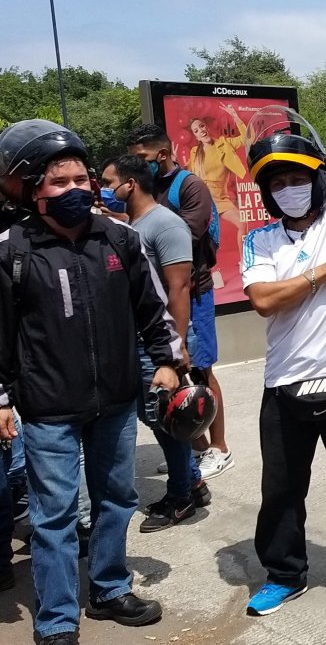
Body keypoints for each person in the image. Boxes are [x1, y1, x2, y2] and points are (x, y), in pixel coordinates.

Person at [0, 119, 183, 644]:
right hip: (48, 409)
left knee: (116, 499)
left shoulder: (120, 239)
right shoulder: (12, 250)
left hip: (117, 403)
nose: (75, 190)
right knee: (53, 516)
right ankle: (57, 618)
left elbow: (153, 308)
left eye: (81, 179)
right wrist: (2, 398)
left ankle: (108, 589)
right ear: (34, 190)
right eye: (60, 182)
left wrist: (168, 361)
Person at [239, 36, 326, 617]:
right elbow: (264, 301)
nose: (287, 189)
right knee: (280, 490)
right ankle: (284, 573)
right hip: (284, 384)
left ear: (316, 177)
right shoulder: (260, 241)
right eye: (275, 184)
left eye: (295, 177)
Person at [100, 155, 213, 532]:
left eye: (108, 182)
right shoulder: (135, 224)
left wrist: (175, 350)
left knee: (166, 420)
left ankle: (181, 498)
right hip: (141, 340)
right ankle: (192, 483)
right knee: (153, 416)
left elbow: (179, 289)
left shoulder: (165, 224)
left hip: (160, 343)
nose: (104, 189)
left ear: (130, 184)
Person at [127, 124, 234, 480]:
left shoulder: (189, 186)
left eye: (141, 157)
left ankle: (219, 448)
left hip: (193, 292)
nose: (136, 163)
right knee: (178, 376)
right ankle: (194, 447)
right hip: (158, 296)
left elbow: (183, 236)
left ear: (162, 154)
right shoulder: (149, 187)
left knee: (201, 370)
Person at [181, 104, 250, 246]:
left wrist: (235, 116)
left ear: (206, 127)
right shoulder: (195, 152)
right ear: (196, 136)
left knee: (243, 223)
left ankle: (243, 258)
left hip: (220, 198)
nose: (201, 130)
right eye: (196, 130)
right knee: (201, 234)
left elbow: (247, 138)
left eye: (201, 126)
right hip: (202, 196)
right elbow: (188, 174)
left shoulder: (224, 144)